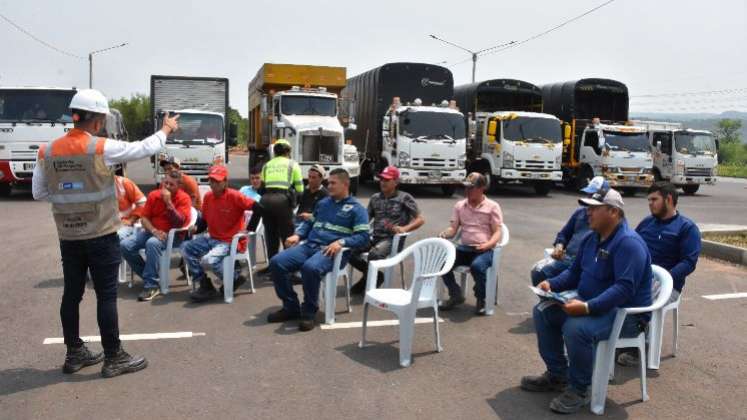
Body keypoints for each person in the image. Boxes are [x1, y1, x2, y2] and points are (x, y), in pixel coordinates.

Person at [32, 88, 180, 378]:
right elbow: (142, 148)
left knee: (71, 294)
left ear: (73, 117)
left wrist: (68, 186)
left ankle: (74, 353)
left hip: (68, 237)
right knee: (106, 295)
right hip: (101, 234)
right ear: (99, 120)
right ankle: (114, 356)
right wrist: (165, 128)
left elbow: (39, 192)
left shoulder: (46, 151)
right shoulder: (101, 147)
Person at [520, 188, 652, 414]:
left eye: (593, 208)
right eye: (587, 207)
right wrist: (552, 284)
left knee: (576, 328)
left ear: (613, 212)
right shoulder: (592, 238)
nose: (587, 213)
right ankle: (557, 374)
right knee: (544, 312)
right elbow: (573, 273)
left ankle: (580, 389)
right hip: (597, 305)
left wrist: (587, 307)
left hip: (626, 315)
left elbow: (623, 289)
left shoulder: (629, 244)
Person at [267, 169, 369, 332]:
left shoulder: (357, 208)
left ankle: (308, 312)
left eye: (333, 183)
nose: (329, 185)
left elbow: (363, 236)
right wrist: (298, 235)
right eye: (328, 182)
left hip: (331, 252)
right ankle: (291, 306)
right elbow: (309, 223)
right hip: (310, 246)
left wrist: (342, 242)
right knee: (276, 262)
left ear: (346, 184)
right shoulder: (323, 203)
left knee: (310, 268)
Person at [617, 181, 701, 366]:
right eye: (649, 200)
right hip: (640, 278)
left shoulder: (687, 228)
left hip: (666, 286)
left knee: (635, 297)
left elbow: (689, 262)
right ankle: (620, 337)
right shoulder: (647, 223)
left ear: (669, 199)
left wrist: (665, 278)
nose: (650, 204)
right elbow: (631, 245)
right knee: (609, 288)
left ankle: (637, 346)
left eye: (654, 199)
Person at [181, 166, 258, 302]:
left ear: (225, 182)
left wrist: (249, 229)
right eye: (211, 181)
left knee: (208, 260)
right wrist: (196, 228)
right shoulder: (208, 196)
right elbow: (204, 222)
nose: (213, 184)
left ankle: (234, 278)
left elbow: (258, 208)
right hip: (213, 238)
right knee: (186, 248)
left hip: (230, 241)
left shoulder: (235, 196)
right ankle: (206, 285)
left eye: (217, 181)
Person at [349, 166, 424, 294]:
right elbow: (366, 219)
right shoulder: (375, 198)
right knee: (349, 250)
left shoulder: (404, 198)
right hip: (374, 236)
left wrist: (405, 228)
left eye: (387, 180)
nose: (382, 182)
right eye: (381, 179)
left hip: (392, 239)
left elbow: (420, 219)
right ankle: (376, 276)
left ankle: (367, 283)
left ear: (395, 182)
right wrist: (355, 230)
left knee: (375, 255)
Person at [120, 171, 192, 302]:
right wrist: (153, 230)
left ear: (179, 186)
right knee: (125, 245)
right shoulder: (154, 195)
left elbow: (180, 223)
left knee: (152, 243)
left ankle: (151, 285)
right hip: (152, 231)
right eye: (166, 183)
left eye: (171, 184)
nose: (167, 187)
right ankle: (151, 277)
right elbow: (144, 218)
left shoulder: (184, 198)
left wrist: (169, 203)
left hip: (173, 234)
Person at [438, 172, 503, 315]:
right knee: (442, 263)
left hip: (484, 249)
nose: (467, 191)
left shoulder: (492, 206)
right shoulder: (460, 205)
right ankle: (455, 294)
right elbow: (453, 229)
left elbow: (498, 232)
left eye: (471, 188)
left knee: (477, 267)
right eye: (466, 188)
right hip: (464, 248)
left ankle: (481, 299)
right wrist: (445, 234)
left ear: (482, 188)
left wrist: (488, 245)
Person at [530, 176, 608, 286]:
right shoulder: (580, 212)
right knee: (538, 271)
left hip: (583, 262)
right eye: (589, 195)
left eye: (593, 196)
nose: (589, 198)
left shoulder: (605, 222)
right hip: (567, 259)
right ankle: (546, 299)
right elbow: (564, 234)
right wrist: (559, 245)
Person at [258, 139, 304, 260]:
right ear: (288, 151)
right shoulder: (292, 164)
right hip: (282, 201)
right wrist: (295, 202)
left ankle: (272, 266)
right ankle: (287, 266)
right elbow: (300, 189)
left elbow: (261, 188)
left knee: (271, 235)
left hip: (265, 201)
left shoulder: (267, 165)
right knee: (287, 235)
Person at [294, 164, 328, 229]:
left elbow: (326, 215)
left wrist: (311, 216)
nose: (310, 180)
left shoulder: (325, 194)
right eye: (309, 177)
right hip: (298, 222)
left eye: (314, 177)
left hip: (314, 224)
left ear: (321, 179)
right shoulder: (303, 191)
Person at [115, 175, 146, 240]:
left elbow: (142, 203)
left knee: (117, 237)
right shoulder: (93, 185)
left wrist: (131, 220)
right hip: (103, 228)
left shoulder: (124, 183)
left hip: (124, 226)